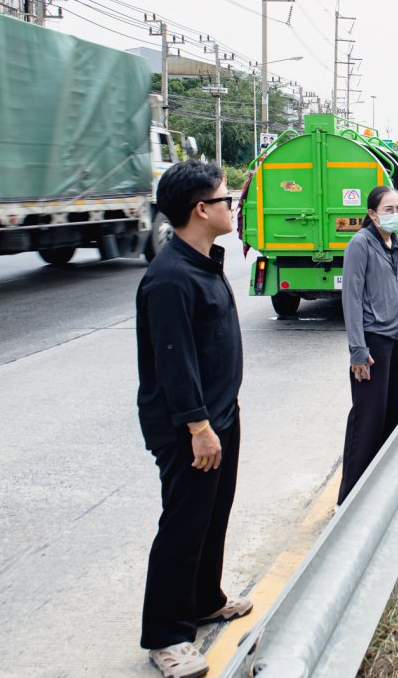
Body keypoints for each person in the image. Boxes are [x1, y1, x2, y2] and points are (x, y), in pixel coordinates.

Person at [136, 160, 251, 678]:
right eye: (227, 199)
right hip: (191, 427)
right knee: (183, 525)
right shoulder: (170, 278)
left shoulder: (203, 261)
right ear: (201, 210)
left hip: (220, 414)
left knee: (212, 515)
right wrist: (198, 427)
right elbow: (173, 359)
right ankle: (166, 637)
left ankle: (205, 598)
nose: (235, 206)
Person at [339, 185, 398, 503]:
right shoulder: (360, 245)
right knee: (367, 422)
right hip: (372, 347)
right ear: (372, 214)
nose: (396, 215)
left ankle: (378, 494)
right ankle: (349, 500)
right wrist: (358, 350)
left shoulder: (397, 244)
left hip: (396, 343)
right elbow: (352, 299)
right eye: (389, 209)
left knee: (390, 418)